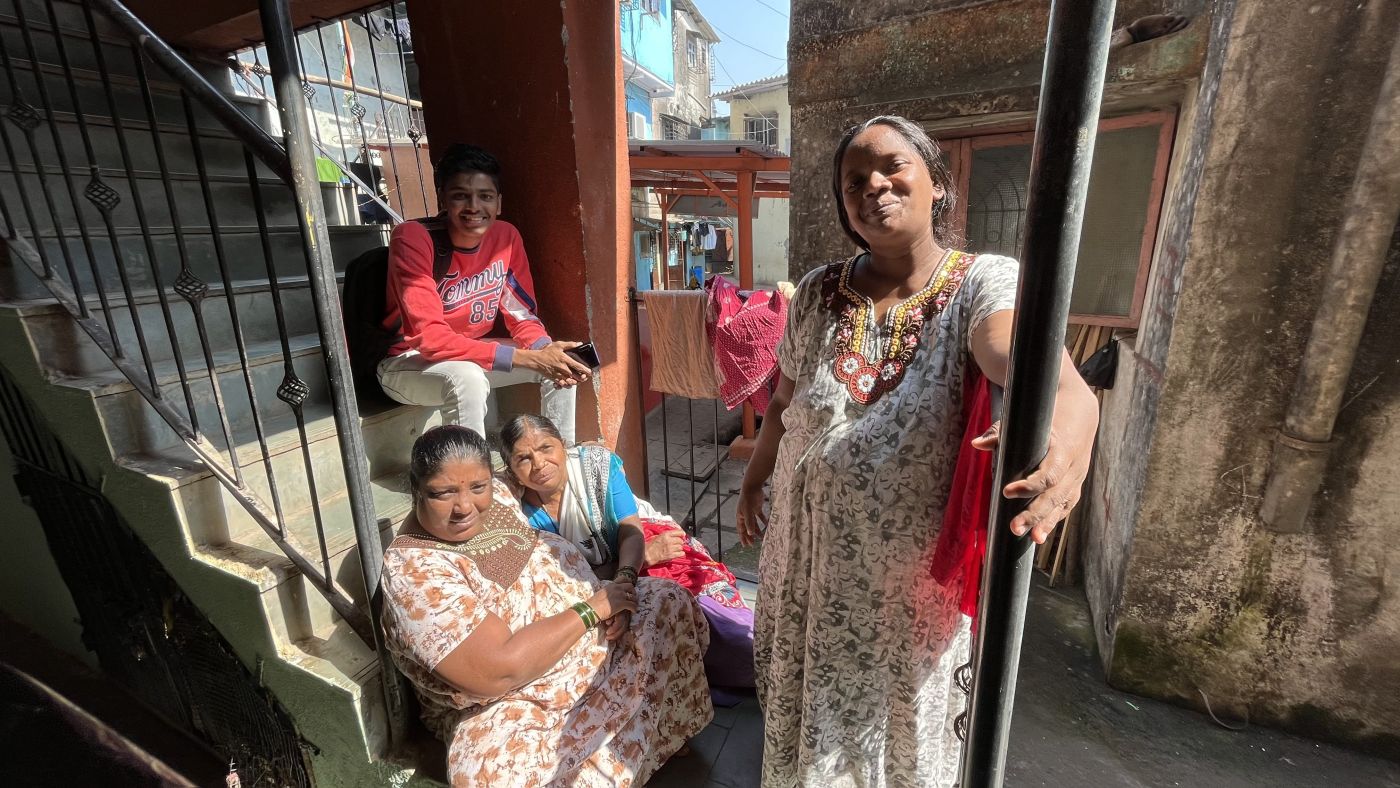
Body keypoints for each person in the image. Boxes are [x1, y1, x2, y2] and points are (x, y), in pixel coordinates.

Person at [735, 116, 1100, 787]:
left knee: (891, 741)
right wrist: (756, 480)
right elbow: (784, 402)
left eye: (891, 166)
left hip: (902, 601)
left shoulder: (981, 283)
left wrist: (1075, 425)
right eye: (853, 181)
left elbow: (1029, 364)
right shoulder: (816, 292)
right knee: (804, 730)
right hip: (801, 566)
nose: (872, 186)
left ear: (936, 183)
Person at [379, 426, 713, 786]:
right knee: (489, 774)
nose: (464, 507)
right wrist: (592, 609)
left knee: (667, 600)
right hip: (525, 696)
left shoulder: (501, 494)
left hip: (600, 633)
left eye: (477, 487)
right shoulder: (414, 571)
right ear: (416, 490)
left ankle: (659, 738)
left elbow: (536, 462)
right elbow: (497, 673)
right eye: (443, 493)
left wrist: (591, 457)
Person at [500, 414, 756, 690]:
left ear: (563, 445)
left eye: (546, 448)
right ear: (511, 470)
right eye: (523, 459)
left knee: (729, 632)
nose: (539, 464)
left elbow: (630, 530)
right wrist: (622, 578)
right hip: (591, 587)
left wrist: (626, 578)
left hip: (635, 556)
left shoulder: (595, 467)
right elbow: (554, 581)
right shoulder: (513, 511)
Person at [375, 144, 592, 445]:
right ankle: (472, 470)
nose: (474, 207)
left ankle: (557, 458)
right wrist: (526, 357)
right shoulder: (413, 237)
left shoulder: (506, 237)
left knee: (560, 364)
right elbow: (430, 338)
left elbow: (522, 317)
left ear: (498, 203)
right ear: (442, 198)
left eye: (485, 196)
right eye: (460, 195)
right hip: (407, 362)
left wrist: (545, 350)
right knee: (468, 378)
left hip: (470, 353)